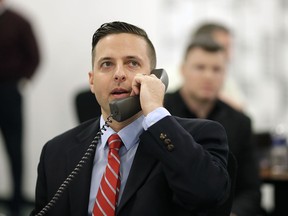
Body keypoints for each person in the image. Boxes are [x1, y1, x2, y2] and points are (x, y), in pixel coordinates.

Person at [31, 21, 230, 216]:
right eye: (107, 64)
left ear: (154, 78)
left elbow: (209, 195)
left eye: (132, 63)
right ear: (92, 81)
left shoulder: (201, 135)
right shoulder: (56, 151)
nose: (119, 74)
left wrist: (156, 113)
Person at [164, 37, 261, 216]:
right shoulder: (160, 111)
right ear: (183, 70)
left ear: (225, 75)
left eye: (217, 69)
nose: (208, 76)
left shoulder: (240, 122)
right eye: (200, 67)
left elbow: (251, 190)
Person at [0, 0, 40, 215]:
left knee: (14, 148)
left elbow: (34, 55)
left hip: (8, 92)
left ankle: (16, 204)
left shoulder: (19, 21)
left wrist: (22, 80)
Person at [192, 22, 245, 111]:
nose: (229, 55)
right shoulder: (172, 78)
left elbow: (241, 109)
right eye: (223, 48)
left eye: (229, 48)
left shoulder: (227, 80)